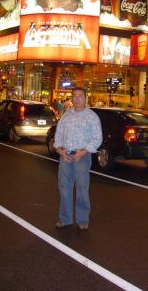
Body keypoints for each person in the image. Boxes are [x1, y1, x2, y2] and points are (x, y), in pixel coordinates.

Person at [54, 87, 102, 230]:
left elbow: (97, 138)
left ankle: (82, 219)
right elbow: (58, 134)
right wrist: (59, 150)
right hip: (65, 155)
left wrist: (82, 153)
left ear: (85, 98)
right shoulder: (66, 115)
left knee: (82, 188)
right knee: (64, 188)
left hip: (82, 156)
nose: (76, 98)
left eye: (80, 96)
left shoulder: (91, 116)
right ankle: (65, 219)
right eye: (74, 96)